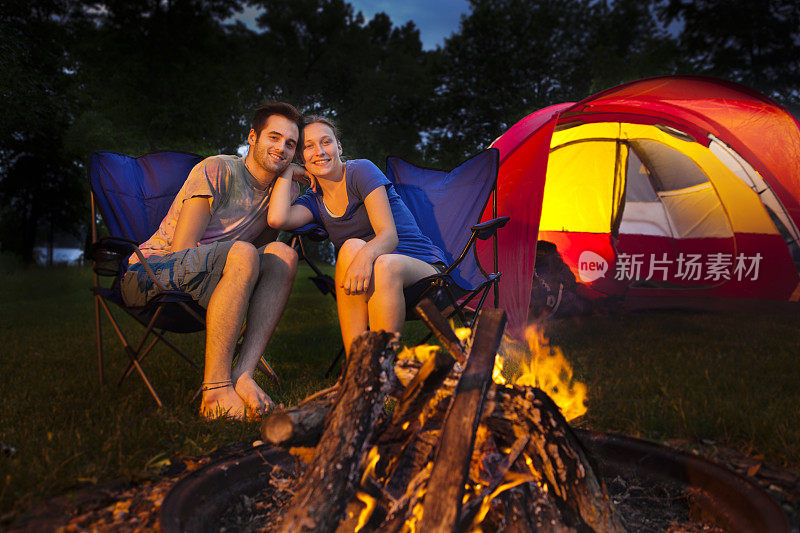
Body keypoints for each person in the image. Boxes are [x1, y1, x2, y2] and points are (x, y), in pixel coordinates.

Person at [121, 102, 305, 420]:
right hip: (150, 272)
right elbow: (182, 248)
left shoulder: (281, 190)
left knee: (285, 255)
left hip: (220, 274)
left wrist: (290, 177)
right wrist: (238, 263)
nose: (281, 148)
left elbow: (262, 253)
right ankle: (216, 393)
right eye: (274, 137)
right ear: (252, 137)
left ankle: (243, 376)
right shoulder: (218, 169)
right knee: (244, 252)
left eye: (290, 144)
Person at [267, 116, 446, 356]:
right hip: (370, 273)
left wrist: (365, 258)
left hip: (420, 266)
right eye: (308, 146)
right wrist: (287, 172)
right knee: (350, 247)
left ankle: (380, 370)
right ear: (301, 158)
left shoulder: (360, 170)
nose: (319, 151)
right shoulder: (313, 200)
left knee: (382, 263)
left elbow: (388, 236)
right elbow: (277, 219)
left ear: (338, 147)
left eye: (326, 142)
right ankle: (356, 367)